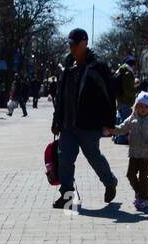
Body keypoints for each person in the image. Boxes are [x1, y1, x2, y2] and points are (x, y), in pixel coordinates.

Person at [50, 28, 118, 210]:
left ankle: (110, 181)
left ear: (84, 44)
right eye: (69, 44)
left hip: (89, 124)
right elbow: (60, 96)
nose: (71, 47)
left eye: (74, 44)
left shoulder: (97, 67)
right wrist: (56, 121)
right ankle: (67, 196)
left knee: (93, 156)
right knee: (65, 159)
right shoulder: (67, 67)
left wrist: (110, 123)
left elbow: (109, 96)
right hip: (67, 124)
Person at [114, 90, 148, 211]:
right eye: (139, 106)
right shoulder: (132, 118)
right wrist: (111, 129)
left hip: (147, 154)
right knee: (130, 174)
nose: (142, 109)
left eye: (145, 107)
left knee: (143, 176)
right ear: (135, 106)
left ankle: (144, 199)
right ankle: (139, 192)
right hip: (134, 153)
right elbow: (122, 128)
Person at [114, 57, 137, 124]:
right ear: (133, 65)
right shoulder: (128, 73)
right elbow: (128, 89)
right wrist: (133, 94)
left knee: (120, 120)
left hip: (120, 99)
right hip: (126, 101)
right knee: (125, 124)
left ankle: (117, 134)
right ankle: (121, 135)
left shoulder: (120, 71)